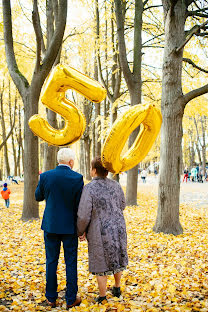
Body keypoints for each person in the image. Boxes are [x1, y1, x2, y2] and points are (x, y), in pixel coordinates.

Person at [35, 148, 84, 309]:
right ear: (70, 162)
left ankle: (50, 298)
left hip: (51, 225)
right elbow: (79, 205)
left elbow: (38, 196)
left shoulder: (45, 176)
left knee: (51, 261)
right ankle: (71, 299)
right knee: (71, 262)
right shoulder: (77, 178)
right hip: (70, 227)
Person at [77, 156, 128, 304]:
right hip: (118, 226)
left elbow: (83, 214)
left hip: (99, 230)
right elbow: (123, 205)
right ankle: (117, 288)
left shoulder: (89, 188)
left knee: (101, 261)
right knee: (118, 255)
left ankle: (102, 296)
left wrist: (80, 231)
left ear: (94, 171)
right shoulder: (116, 185)